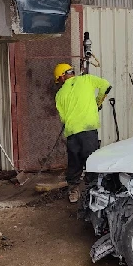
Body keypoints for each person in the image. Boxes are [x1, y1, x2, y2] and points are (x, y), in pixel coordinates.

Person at [53, 63, 111, 203]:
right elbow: (106, 85)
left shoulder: (59, 95)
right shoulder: (87, 79)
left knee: (74, 162)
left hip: (72, 132)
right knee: (91, 159)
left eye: (58, 80)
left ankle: (73, 190)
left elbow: (63, 118)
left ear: (62, 77)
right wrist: (97, 102)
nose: (59, 83)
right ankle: (94, 190)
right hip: (89, 129)